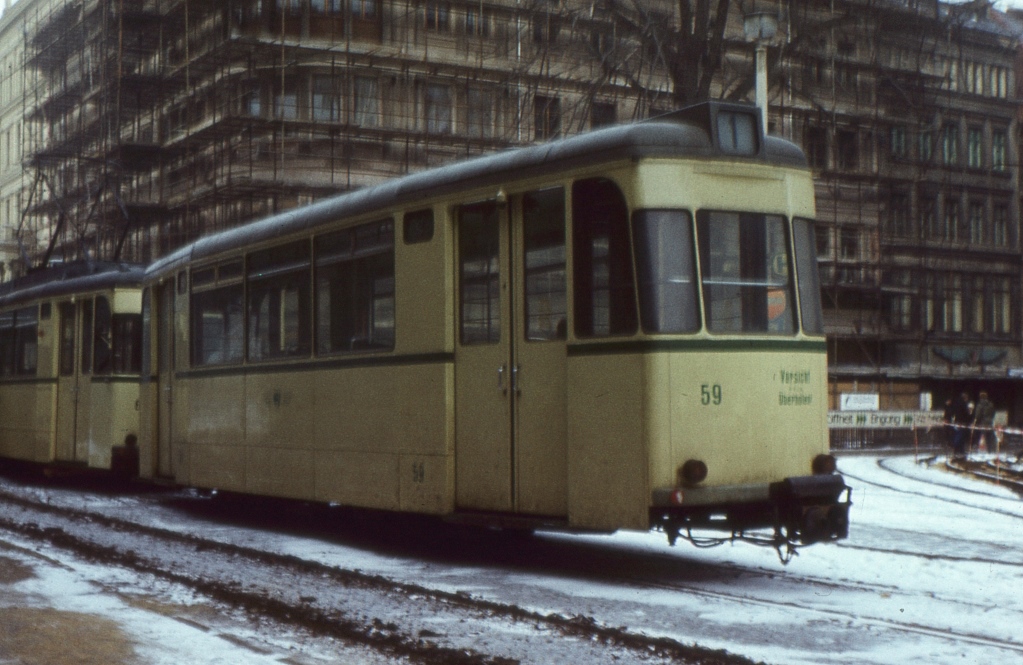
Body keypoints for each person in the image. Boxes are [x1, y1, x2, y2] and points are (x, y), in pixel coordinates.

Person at [951, 392, 973, 458]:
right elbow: (966, 414)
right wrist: (970, 418)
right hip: (962, 422)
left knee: (958, 435)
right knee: (961, 436)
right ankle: (959, 450)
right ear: (965, 398)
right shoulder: (964, 404)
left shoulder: (957, 403)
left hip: (957, 422)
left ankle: (958, 450)